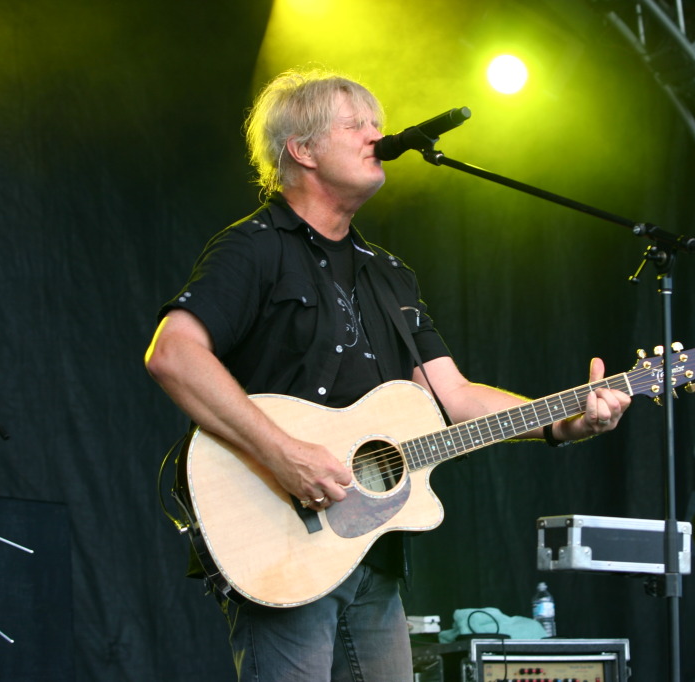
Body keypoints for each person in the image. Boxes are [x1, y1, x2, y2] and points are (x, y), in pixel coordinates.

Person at [144, 68, 631, 681]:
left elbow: (453, 396)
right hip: (280, 540)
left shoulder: (389, 273)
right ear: (302, 150)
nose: (377, 135)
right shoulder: (254, 247)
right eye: (355, 125)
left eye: (377, 122)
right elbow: (174, 354)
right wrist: (286, 454)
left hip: (373, 553)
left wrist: (564, 420)